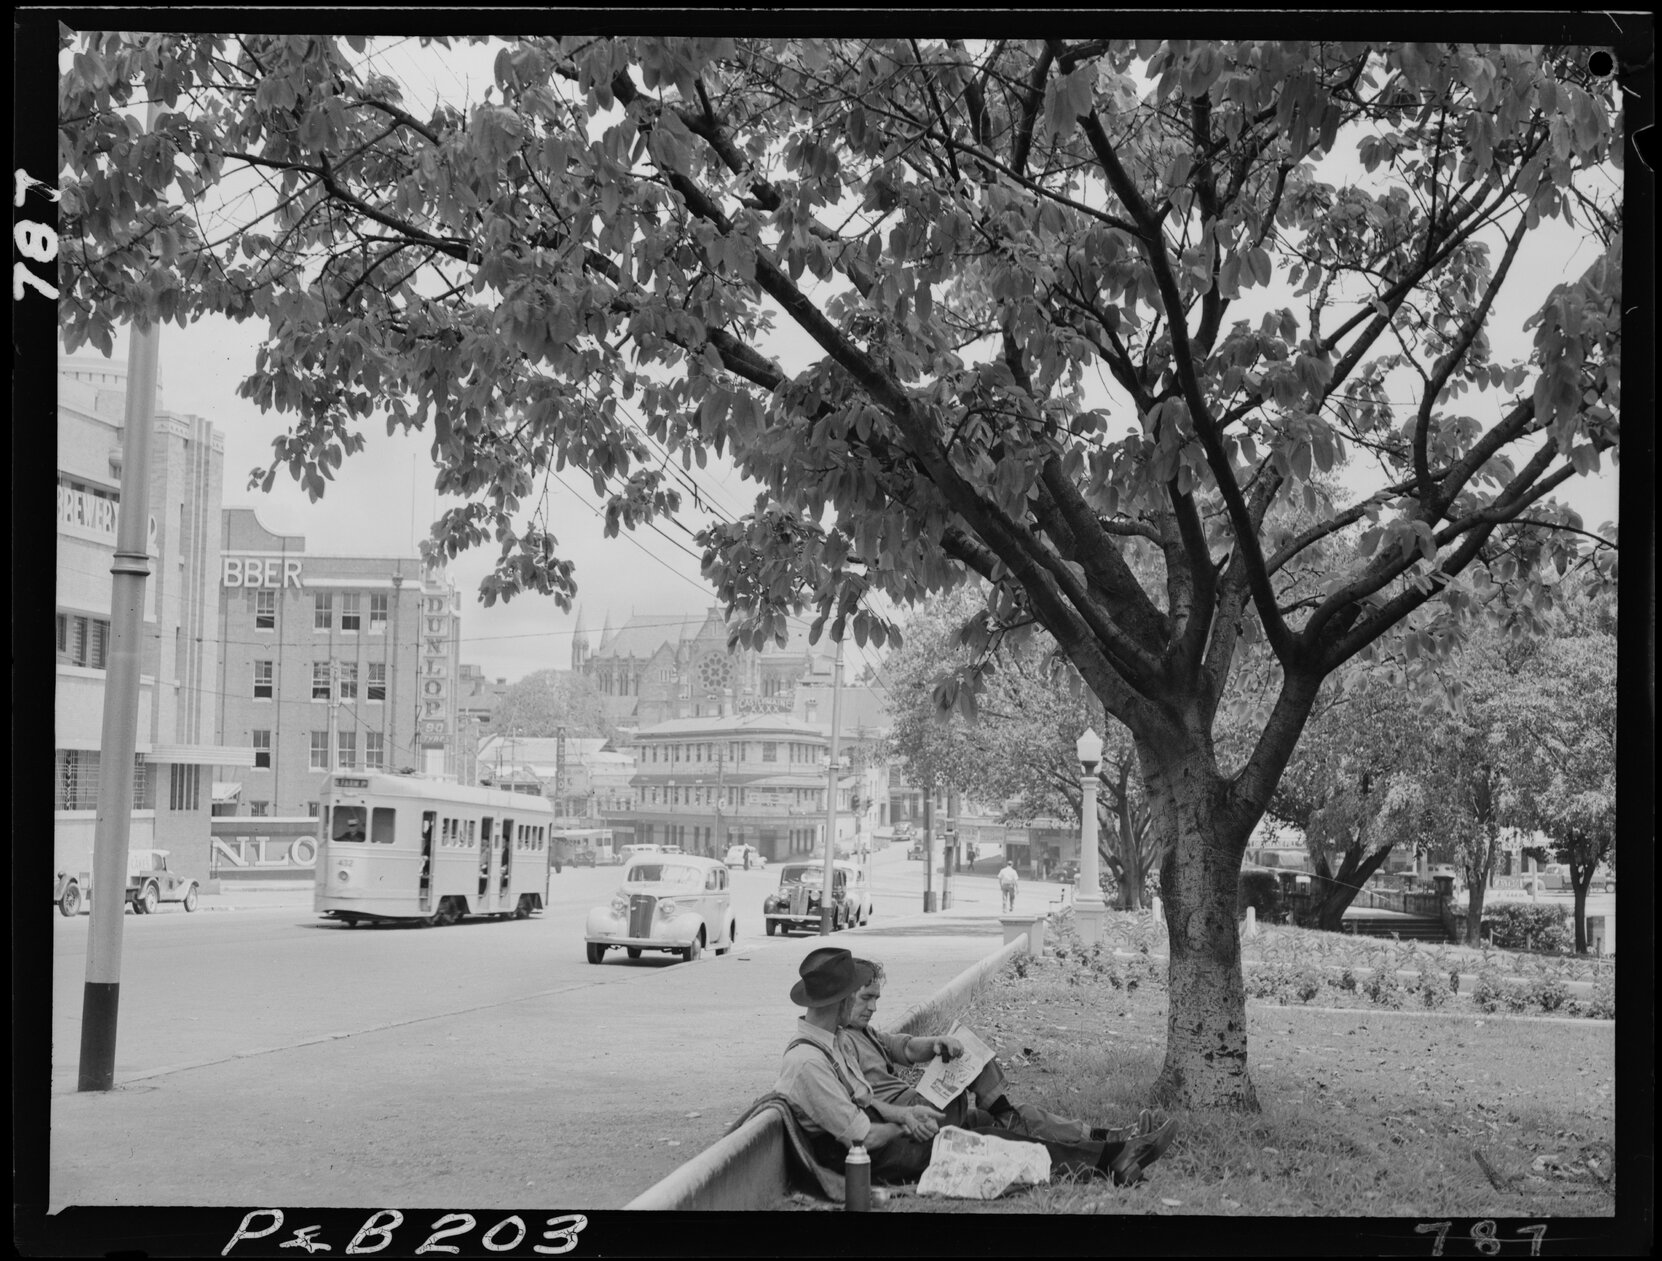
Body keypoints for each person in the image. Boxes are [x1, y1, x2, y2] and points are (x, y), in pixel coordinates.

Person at [774, 947, 1175, 1187]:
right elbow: (862, 1136)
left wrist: (904, 1114)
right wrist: (907, 1121)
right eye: (859, 997)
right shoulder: (809, 1062)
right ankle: (1111, 1159)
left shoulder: (836, 1040)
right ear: (842, 1001)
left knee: (1000, 1129)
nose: (870, 1006)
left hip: (893, 1136)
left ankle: (1112, 1153)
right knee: (995, 1139)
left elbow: (870, 1100)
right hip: (880, 1156)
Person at [838, 956, 1166, 1149]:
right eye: (866, 998)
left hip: (920, 1109)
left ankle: (1108, 1139)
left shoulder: (865, 1032)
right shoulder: (838, 1042)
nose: (873, 1006)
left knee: (1017, 1115)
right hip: (911, 1118)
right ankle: (1010, 1113)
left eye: (877, 999)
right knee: (973, 1066)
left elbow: (906, 1046)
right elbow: (853, 1101)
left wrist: (937, 1042)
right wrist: (900, 1118)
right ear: (842, 995)